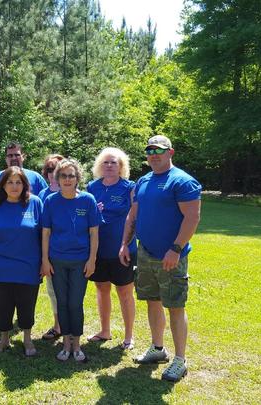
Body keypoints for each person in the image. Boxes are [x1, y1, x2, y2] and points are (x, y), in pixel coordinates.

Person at [119, 134, 201, 383]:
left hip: (171, 256)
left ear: (170, 153)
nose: (154, 155)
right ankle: (157, 349)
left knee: (175, 306)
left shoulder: (183, 181)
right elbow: (133, 215)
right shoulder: (142, 181)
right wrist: (125, 243)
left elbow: (192, 218)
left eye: (159, 151)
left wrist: (176, 249)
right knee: (151, 300)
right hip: (146, 253)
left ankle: (180, 360)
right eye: (150, 151)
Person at [41, 159, 100, 362]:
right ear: (57, 178)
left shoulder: (88, 200)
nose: (67, 179)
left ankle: (77, 344)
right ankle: (66, 343)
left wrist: (92, 260)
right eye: (63, 176)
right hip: (57, 260)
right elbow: (46, 233)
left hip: (80, 261)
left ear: (77, 178)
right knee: (62, 302)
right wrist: (45, 260)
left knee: (75, 302)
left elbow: (94, 233)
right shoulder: (50, 201)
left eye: (71, 175)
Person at [0, 167, 43, 356]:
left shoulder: (35, 203)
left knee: (27, 304)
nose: (14, 186)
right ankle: (4, 339)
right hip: (1, 266)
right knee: (3, 304)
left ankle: (27, 338)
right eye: (10, 182)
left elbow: (44, 235)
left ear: (25, 184)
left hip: (29, 266)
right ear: (3, 185)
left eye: (18, 182)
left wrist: (44, 261)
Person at [87, 147, 137, 350]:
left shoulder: (129, 187)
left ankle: (129, 336)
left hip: (122, 250)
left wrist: (126, 244)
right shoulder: (92, 187)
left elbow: (133, 218)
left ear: (121, 166)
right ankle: (105, 331)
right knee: (101, 289)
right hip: (99, 250)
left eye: (114, 162)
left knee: (125, 292)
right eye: (106, 162)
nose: (109, 166)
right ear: (100, 165)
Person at [37, 154, 64, 341]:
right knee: (53, 291)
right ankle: (58, 326)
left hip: (71, 253)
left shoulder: (75, 193)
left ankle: (71, 329)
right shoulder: (41, 196)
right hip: (49, 253)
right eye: (49, 170)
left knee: (70, 293)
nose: (53, 174)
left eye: (57, 170)